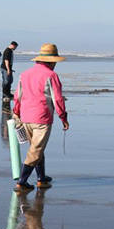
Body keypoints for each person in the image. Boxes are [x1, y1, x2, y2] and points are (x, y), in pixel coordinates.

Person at [12, 43, 69, 192]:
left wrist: (16, 112)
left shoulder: (24, 74)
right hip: (42, 119)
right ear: (50, 62)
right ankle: (22, 182)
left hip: (25, 117)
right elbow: (58, 99)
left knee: (36, 148)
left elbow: (17, 96)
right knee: (36, 150)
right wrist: (63, 117)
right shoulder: (51, 75)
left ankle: (41, 178)